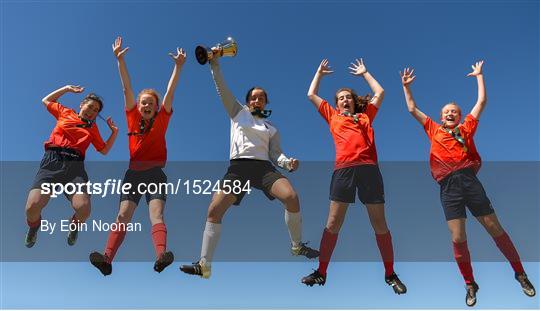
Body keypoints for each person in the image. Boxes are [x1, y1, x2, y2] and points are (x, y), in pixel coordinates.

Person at [400, 61, 536, 306]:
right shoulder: (433, 129)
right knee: (458, 237)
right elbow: (412, 109)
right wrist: (406, 87)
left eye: (454, 111)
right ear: (441, 117)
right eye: (446, 112)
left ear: (459, 116)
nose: (450, 114)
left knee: (494, 227)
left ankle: (520, 273)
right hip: (448, 187)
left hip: (469, 181)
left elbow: (481, 102)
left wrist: (479, 76)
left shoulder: (466, 128)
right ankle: (470, 283)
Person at [179, 56, 319, 279]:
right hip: (238, 169)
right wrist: (214, 64)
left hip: (263, 169)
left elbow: (275, 154)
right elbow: (221, 89)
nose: (257, 101)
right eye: (254, 98)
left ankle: (297, 245)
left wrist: (287, 163)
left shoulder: (271, 127)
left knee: (291, 197)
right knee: (214, 210)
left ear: (265, 102)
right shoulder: (238, 113)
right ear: (248, 101)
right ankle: (204, 265)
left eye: (261, 98)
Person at [300, 59, 406, 294]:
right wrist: (318, 72)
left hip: (369, 170)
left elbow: (380, 92)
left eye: (348, 96)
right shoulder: (333, 116)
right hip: (343, 171)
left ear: (353, 101)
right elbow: (311, 94)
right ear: (336, 105)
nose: (345, 100)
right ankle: (321, 272)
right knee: (332, 224)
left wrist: (365, 73)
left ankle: (390, 274)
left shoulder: (366, 115)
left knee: (379, 224)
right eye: (340, 98)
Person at [89, 36, 185, 276]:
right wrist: (120, 60)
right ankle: (107, 259)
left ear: (156, 106)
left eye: (151, 103)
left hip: (155, 174)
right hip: (133, 175)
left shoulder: (162, 119)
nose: (146, 106)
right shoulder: (132, 116)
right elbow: (126, 88)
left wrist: (178, 66)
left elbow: (170, 92)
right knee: (123, 214)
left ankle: (161, 255)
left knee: (156, 214)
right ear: (138, 105)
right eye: (143, 103)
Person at [25, 85, 118, 248]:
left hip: (75, 168)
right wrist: (67, 89)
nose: (92, 111)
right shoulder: (65, 112)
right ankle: (34, 228)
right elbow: (46, 100)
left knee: (84, 209)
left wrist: (114, 133)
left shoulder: (93, 128)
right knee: (32, 207)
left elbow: (103, 150)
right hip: (52, 162)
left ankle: (74, 226)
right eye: (90, 106)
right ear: (82, 104)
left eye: (96, 110)